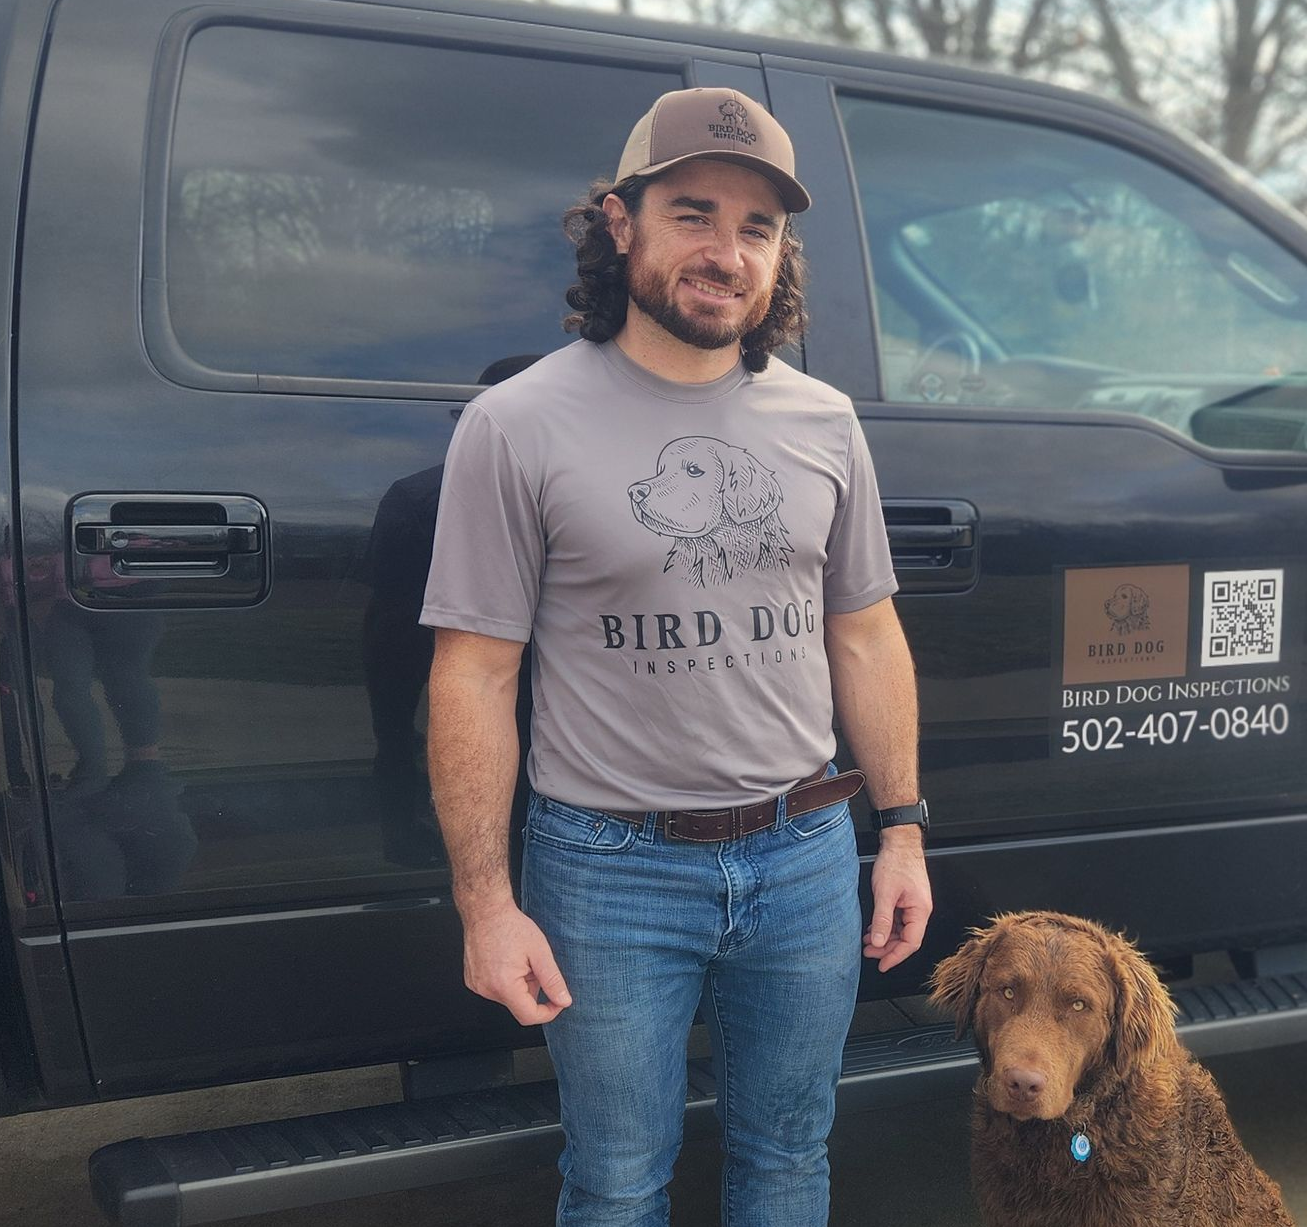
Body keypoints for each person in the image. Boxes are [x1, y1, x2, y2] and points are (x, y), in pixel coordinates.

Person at [421, 87, 932, 1227]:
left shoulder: (824, 422)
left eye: (757, 228)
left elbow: (865, 629)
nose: (727, 252)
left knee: (790, 1159)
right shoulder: (517, 425)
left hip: (806, 858)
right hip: (607, 868)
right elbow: (473, 674)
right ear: (619, 222)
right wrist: (485, 904)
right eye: (693, 214)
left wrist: (899, 830)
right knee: (612, 1182)